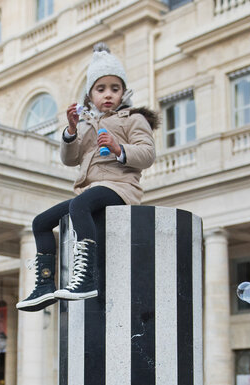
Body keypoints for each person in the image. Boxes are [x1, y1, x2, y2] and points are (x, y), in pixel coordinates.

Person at [17, 42, 158, 311]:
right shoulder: (85, 125)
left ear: (123, 92)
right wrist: (71, 131)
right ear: (90, 95)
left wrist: (119, 149)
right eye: (101, 89)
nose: (108, 95)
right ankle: (45, 285)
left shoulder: (132, 119)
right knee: (41, 222)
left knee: (78, 206)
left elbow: (148, 154)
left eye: (115, 89)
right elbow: (70, 159)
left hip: (121, 187)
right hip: (89, 191)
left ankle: (86, 277)